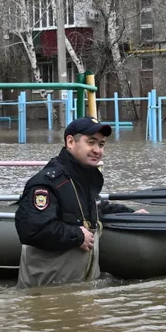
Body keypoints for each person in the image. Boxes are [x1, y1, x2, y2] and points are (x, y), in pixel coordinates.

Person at [14, 116, 142, 288]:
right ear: (70, 142)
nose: (97, 150)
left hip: (80, 290)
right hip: (47, 294)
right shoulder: (47, 183)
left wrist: (131, 214)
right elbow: (32, 230)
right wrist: (77, 235)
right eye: (91, 142)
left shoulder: (82, 179)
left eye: (101, 145)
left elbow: (97, 209)